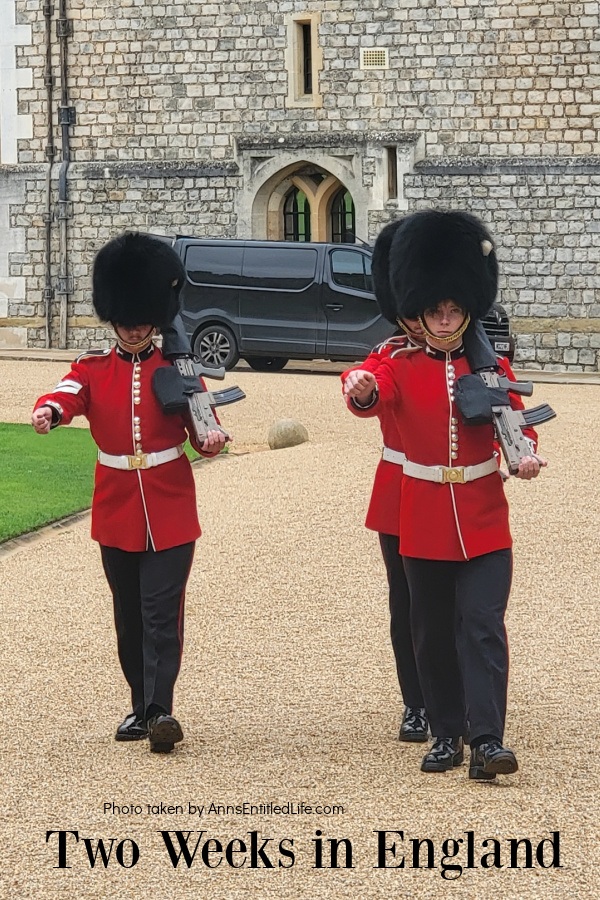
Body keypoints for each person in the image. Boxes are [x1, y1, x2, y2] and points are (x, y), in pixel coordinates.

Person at [344, 209, 547, 780]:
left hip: (484, 517)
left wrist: (525, 453)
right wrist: (358, 389)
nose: (446, 316)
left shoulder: (491, 365)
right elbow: (369, 390)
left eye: (455, 307)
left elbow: (517, 421)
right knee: (430, 633)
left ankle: (487, 742)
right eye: (437, 308)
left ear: (467, 307)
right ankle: (444, 731)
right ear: (421, 310)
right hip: (425, 518)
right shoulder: (398, 363)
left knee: (482, 626)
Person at [31, 232, 227, 754]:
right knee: (129, 615)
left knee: (162, 613)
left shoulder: (179, 369)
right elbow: (68, 391)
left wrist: (209, 438)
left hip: (169, 505)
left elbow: (205, 430)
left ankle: (162, 710)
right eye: (128, 318)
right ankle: (140, 705)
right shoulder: (94, 367)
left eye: (145, 317)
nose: (137, 326)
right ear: (114, 317)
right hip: (116, 506)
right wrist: (50, 410)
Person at [341, 225, 430, 741]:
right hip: (400, 487)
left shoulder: (473, 354)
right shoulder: (390, 353)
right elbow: (367, 390)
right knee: (407, 601)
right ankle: (415, 701)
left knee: (459, 606)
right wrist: (362, 389)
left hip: (456, 494)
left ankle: (457, 696)